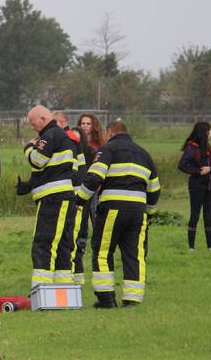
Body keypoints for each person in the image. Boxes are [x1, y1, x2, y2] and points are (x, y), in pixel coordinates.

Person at [77, 120, 161, 307]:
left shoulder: (107, 149)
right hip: (139, 212)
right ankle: (132, 300)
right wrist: (149, 212)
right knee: (134, 255)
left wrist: (79, 200)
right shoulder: (144, 154)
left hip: (113, 208)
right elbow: (154, 189)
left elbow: (95, 177)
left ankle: (106, 299)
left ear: (110, 132)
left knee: (103, 251)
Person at [16, 105, 78, 288]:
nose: (32, 126)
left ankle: (41, 289)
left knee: (44, 242)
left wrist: (28, 148)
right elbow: (56, 169)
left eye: (32, 122)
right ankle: (63, 290)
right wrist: (29, 185)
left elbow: (38, 160)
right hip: (63, 196)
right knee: (62, 246)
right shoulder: (61, 137)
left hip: (54, 198)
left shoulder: (50, 135)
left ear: (43, 118)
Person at [55, 111, 91, 282]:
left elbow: (74, 171)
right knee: (74, 234)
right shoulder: (72, 139)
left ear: (61, 122)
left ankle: (72, 275)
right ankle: (76, 275)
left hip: (73, 194)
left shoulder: (67, 139)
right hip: (76, 192)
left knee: (71, 235)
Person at [178, 122, 211, 250]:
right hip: (196, 187)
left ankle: (210, 247)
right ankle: (191, 247)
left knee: (208, 216)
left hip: (210, 187)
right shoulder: (191, 148)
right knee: (195, 215)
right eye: (210, 131)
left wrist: (210, 168)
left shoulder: (209, 147)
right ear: (205, 133)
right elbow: (182, 165)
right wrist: (198, 171)